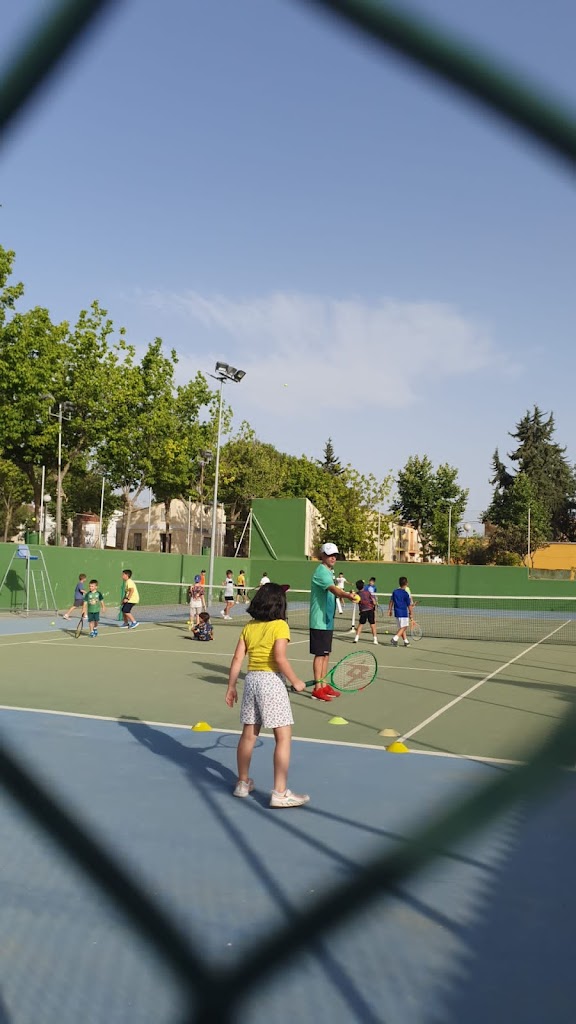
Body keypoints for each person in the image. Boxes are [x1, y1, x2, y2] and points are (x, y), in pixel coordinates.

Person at [225, 583, 309, 808]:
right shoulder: (280, 626)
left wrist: (231, 687)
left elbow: (236, 660)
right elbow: (280, 658)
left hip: (251, 680)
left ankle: (242, 783)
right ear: (279, 603)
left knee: (248, 735)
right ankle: (280, 793)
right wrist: (296, 681)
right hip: (271, 682)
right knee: (283, 738)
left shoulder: (249, 627)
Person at [309, 542, 357, 702]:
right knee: (320, 654)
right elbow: (334, 590)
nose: (333, 557)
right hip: (319, 621)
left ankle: (323, 684)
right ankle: (317, 688)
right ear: (322, 555)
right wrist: (347, 595)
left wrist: (345, 594)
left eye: (335, 555)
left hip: (327, 620)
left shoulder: (329, 572)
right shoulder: (321, 572)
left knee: (326, 653)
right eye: (330, 555)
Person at [388, 576, 414, 647]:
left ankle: (406, 641)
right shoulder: (406, 594)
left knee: (401, 628)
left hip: (397, 612)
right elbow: (409, 606)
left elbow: (391, 601)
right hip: (403, 613)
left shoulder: (395, 592)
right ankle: (394, 639)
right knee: (404, 627)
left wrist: (390, 610)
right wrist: (411, 614)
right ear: (406, 583)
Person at [354, 579, 379, 645]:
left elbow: (354, 598)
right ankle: (375, 640)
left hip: (363, 611)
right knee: (373, 625)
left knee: (361, 624)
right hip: (370, 610)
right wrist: (375, 603)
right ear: (363, 586)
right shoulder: (368, 592)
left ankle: (356, 638)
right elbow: (373, 601)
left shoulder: (357, 594)